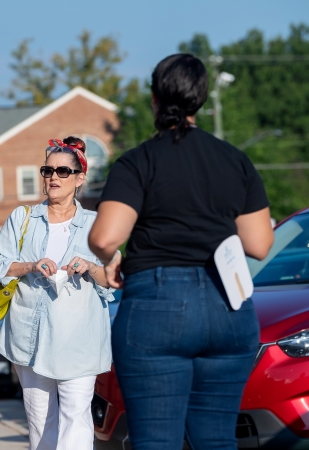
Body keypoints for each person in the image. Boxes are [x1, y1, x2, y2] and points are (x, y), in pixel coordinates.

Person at [88, 54, 274, 450]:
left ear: (154, 98)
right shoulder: (234, 161)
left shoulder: (138, 162)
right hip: (227, 304)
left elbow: (104, 238)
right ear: (201, 100)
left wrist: (111, 263)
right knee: (217, 440)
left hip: (156, 306)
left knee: (157, 441)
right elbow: (259, 243)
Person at [0, 137, 114, 449]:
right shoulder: (23, 218)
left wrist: (88, 265)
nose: (53, 177)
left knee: (76, 416)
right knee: (41, 423)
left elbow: (111, 279)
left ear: (79, 178)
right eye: (47, 170)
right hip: (31, 336)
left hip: (79, 337)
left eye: (62, 171)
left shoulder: (96, 224)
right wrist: (31, 265)